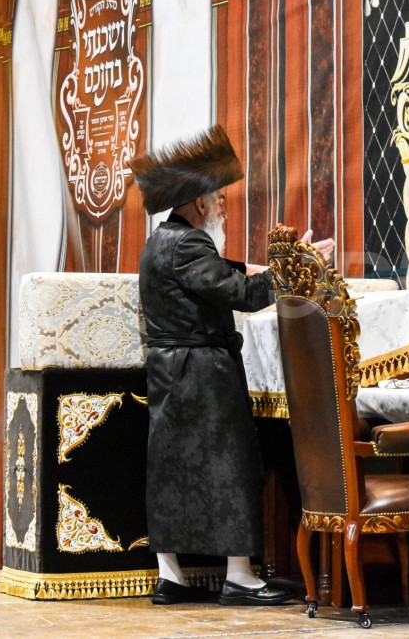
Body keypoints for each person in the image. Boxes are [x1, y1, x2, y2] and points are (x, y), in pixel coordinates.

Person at [128, 124, 334, 606]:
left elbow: (226, 273)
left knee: (172, 473)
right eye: (220, 199)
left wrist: (286, 262)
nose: (225, 207)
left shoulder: (164, 240)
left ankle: (171, 577)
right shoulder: (188, 245)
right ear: (199, 204)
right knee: (232, 467)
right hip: (201, 373)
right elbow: (240, 293)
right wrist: (297, 267)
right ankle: (239, 576)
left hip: (173, 372)